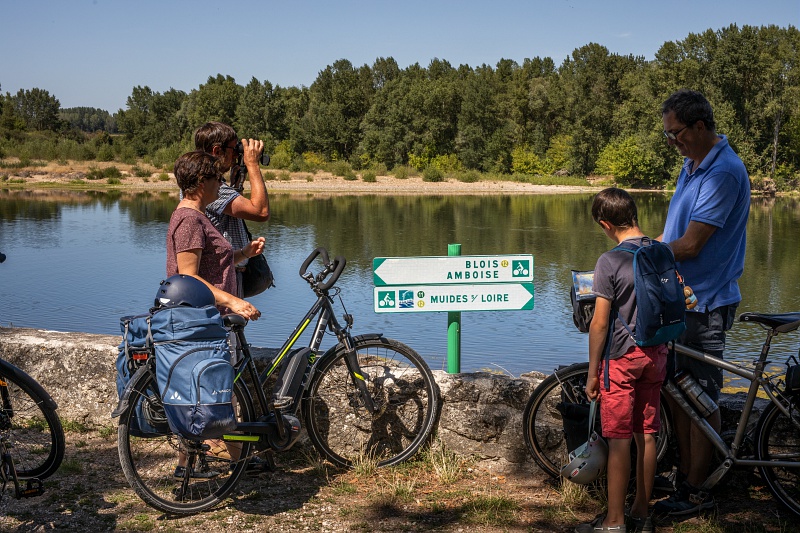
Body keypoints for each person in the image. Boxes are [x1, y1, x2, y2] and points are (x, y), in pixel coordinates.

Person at [654, 89, 750, 516]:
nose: (672, 142)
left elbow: (690, 245)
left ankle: (698, 492)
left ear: (699, 126)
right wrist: (634, 248)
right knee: (678, 393)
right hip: (681, 300)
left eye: (676, 134)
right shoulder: (690, 166)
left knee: (702, 399)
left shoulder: (723, 172)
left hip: (705, 304)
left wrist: (644, 256)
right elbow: (670, 234)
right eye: (667, 136)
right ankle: (685, 477)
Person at [576, 188, 666, 533]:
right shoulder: (660, 251)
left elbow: (599, 323)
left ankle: (614, 521)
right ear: (634, 213)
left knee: (618, 440)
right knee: (647, 434)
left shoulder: (609, 261)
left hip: (622, 358)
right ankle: (642, 514)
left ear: (604, 224)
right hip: (656, 354)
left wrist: (593, 373)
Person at [166, 150, 264, 320]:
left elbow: (212, 263)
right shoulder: (189, 219)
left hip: (213, 319)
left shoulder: (198, 215)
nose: (221, 184)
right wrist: (234, 302)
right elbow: (188, 277)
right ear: (202, 182)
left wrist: (244, 253)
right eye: (218, 179)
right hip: (200, 321)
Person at [194, 122, 270, 298]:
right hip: (220, 280)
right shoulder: (208, 187)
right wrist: (253, 165)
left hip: (226, 273)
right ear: (217, 151)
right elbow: (261, 212)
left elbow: (230, 215)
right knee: (227, 325)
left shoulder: (206, 183)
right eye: (233, 149)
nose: (236, 155)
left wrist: (236, 186)